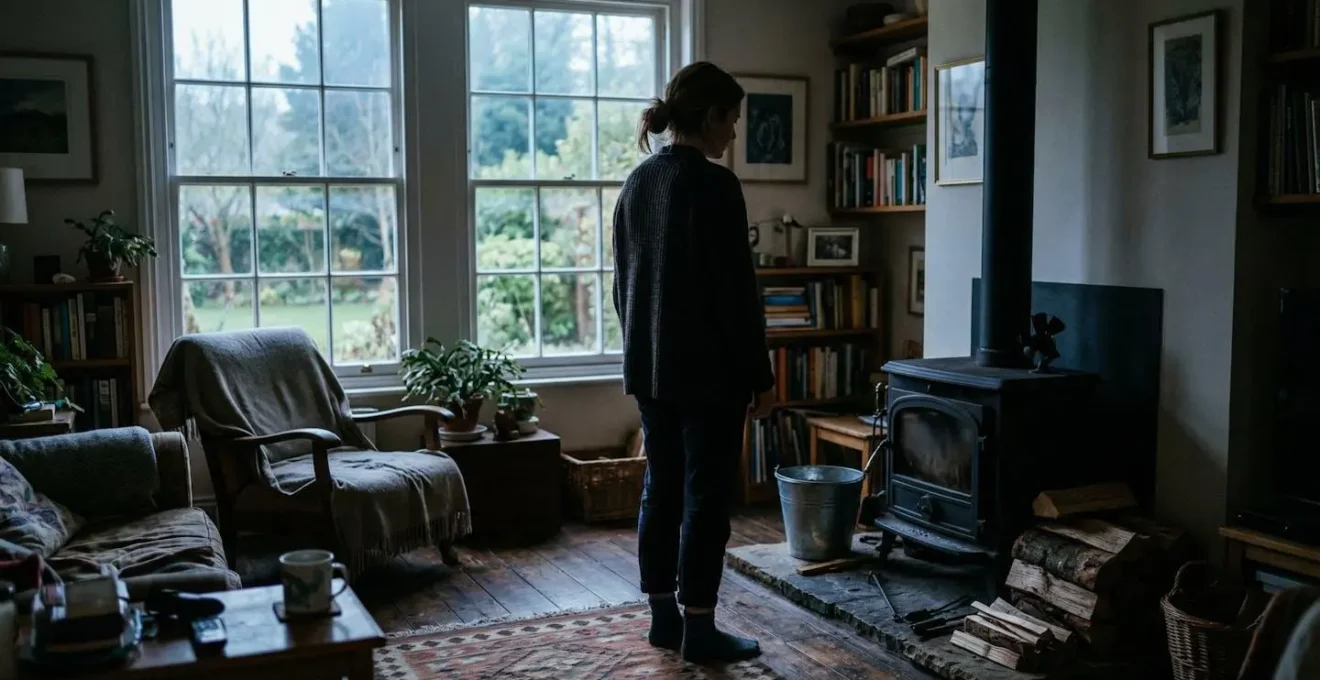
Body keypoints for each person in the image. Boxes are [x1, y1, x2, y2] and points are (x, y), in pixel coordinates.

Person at [611, 61, 776, 664]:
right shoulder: (714, 186)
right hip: (710, 373)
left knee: (661, 487)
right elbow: (737, 295)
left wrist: (641, 351)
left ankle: (663, 619)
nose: (733, 133)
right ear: (709, 118)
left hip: (651, 369)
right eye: (731, 120)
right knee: (707, 497)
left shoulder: (636, 184)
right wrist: (759, 376)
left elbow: (621, 288)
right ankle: (700, 629)